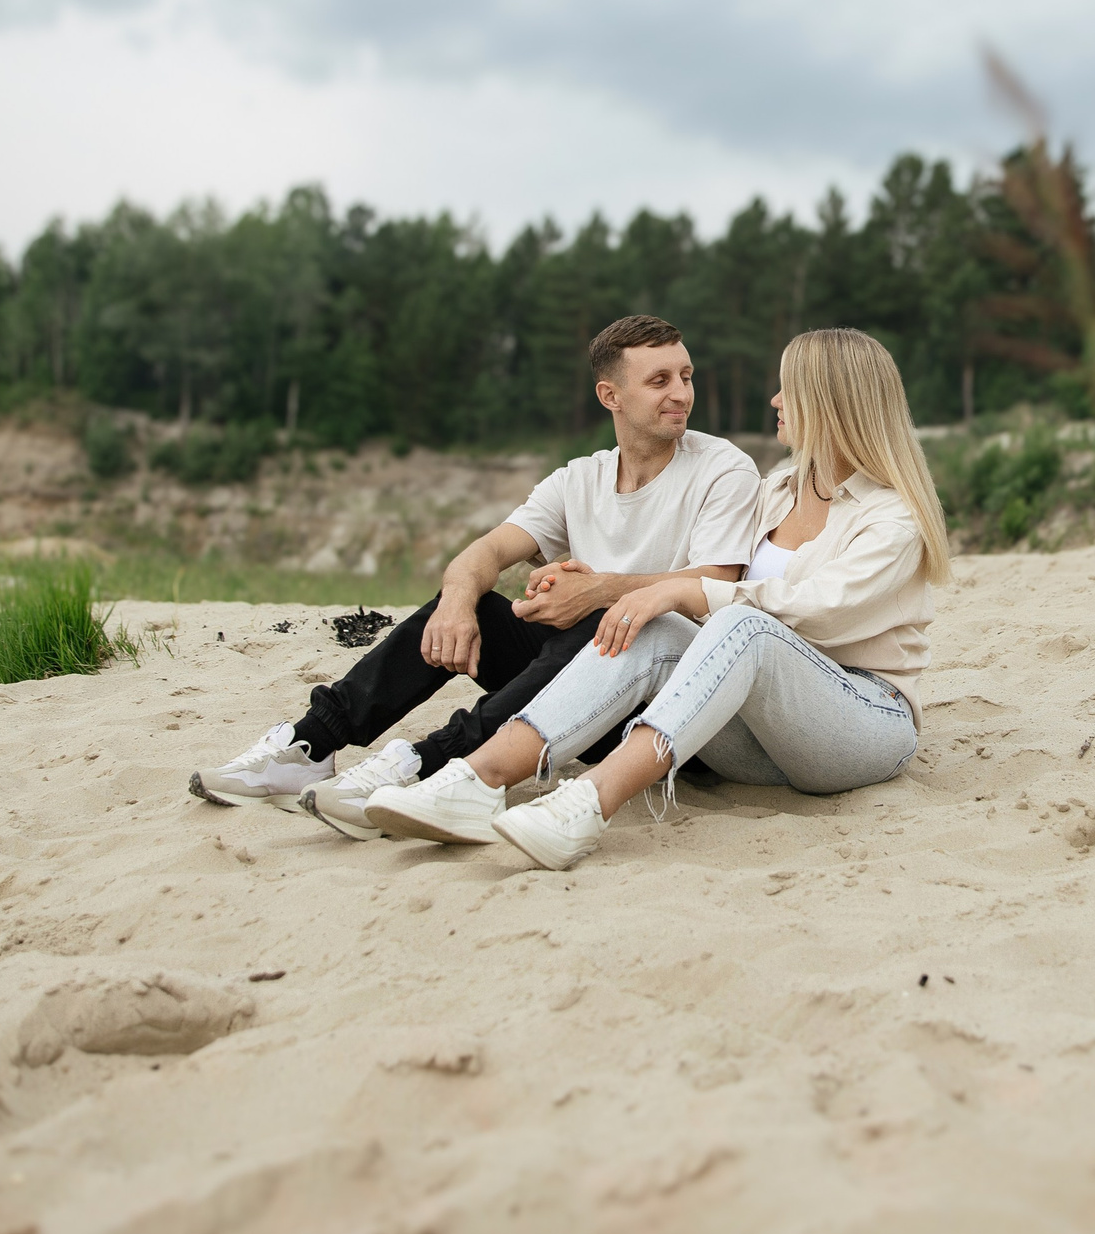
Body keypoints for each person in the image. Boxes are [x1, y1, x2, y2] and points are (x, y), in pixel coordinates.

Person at [360, 327, 951, 871]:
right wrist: (618, 588)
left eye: (788, 389)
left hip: (860, 723)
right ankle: (476, 779)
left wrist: (681, 590)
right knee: (656, 628)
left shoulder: (893, 516)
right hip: (761, 736)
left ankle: (586, 805)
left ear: (833, 403)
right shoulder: (779, 489)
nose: (774, 400)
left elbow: (817, 607)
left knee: (736, 623)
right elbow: (712, 582)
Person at [187, 315, 760, 838]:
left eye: (685, 375)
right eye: (660, 380)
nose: (681, 393)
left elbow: (713, 583)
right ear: (610, 395)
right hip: (574, 692)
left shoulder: (722, 469)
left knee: (603, 623)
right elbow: (484, 553)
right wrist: (458, 602)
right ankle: (313, 743)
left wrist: (600, 590)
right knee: (479, 607)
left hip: (664, 702)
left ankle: (425, 763)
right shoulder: (579, 479)